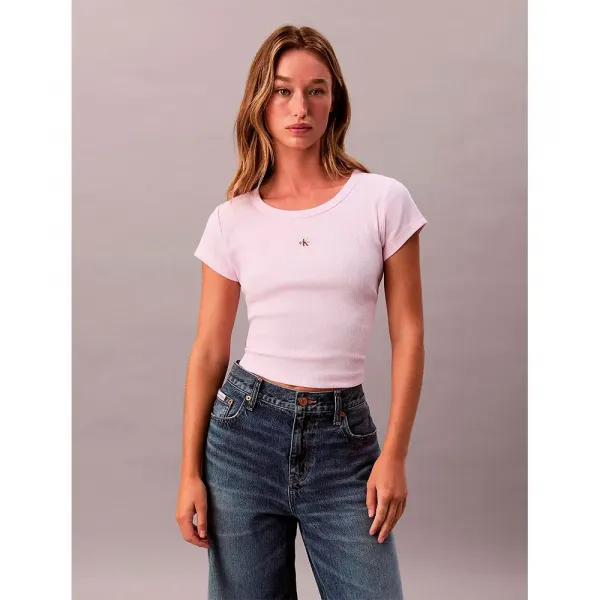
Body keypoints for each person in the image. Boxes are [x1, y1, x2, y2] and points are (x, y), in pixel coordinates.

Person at [176, 24, 427, 600]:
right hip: (243, 435)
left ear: (334, 100)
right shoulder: (232, 219)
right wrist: (189, 472)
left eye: (316, 90)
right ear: (260, 102)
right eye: (283, 90)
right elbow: (209, 350)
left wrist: (394, 454)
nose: (300, 107)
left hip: (344, 440)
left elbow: (409, 334)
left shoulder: (382, 200)